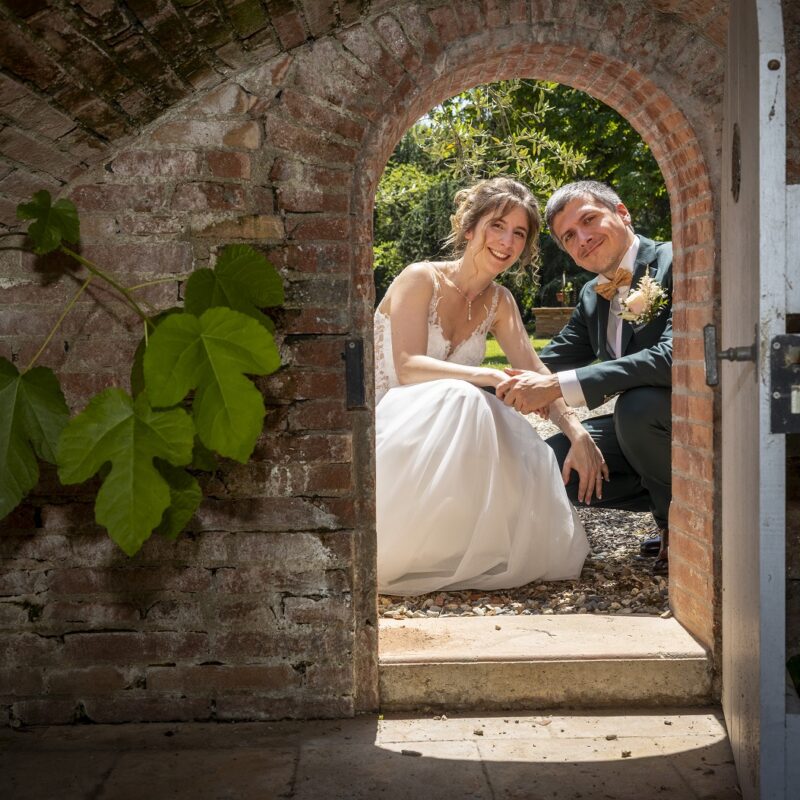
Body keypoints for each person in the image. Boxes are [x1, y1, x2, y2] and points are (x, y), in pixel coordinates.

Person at [375, 177, 606, 595]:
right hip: (386, 424)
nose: (507, 241)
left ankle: (458, 549)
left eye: (519, 233)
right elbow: (407, 368)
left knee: (501, 425)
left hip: (443, 431)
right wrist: (486, 376)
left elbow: (535, 373)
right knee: (468, 398)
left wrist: (577, 432)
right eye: (497, 226)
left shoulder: (500, 302)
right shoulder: (420, 278)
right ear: (470, 228)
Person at [496, 181, 672, 575]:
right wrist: (479, 388)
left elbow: (674, 357)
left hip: (698, 424)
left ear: (622, 213)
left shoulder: (675, 261)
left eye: (589, 220)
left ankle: (679, 525)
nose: (583, 239)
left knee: (636, 407)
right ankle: (671, 497)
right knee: (552, 462)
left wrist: (557, 387)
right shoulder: (593, 295)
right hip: (646, 436)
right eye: (569, 237)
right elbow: (547, 363)